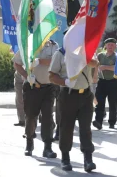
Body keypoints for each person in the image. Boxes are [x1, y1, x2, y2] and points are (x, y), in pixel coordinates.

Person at [49, 28, 98, 172]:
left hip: (86, 95)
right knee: (66, 127)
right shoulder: (60, 54)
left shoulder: (87, 51)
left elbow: (95, 63)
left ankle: (88, 159)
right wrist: (64, 82)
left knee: (85, 128)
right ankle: (65, 158)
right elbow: (52, 75)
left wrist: (85, 57)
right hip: (68, 95)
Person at [13, 40, 59, 158]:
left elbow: (54, 62)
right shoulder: (28, 44)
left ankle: (47, 147)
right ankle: (29, 143)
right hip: (32, 87)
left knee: (48, 117)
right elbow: (16, 63)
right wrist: (26, 75)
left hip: (48, 87)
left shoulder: (54, 46)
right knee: (31, 116)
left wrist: (38, 61)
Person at [92, 38, 117, 130]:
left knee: (112, 103)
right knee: (99, 102)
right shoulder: (100, 55)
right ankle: (98, 121)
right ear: (105, 46)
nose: (110, 46)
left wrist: (105, 67)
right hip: (102, 81)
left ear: (115, 46)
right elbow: (95, 65)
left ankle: (112, 122)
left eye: (112, 45)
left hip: (113, 82)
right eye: (108, 44)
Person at [11, 47, 25, 127]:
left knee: (34, 99)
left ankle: (39, 115)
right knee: (19, 98)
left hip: (33, 77)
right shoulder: (23, 49)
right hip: (19, 76)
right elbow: (15, 64)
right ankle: (21, 120)